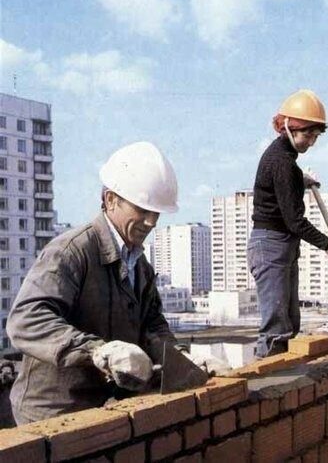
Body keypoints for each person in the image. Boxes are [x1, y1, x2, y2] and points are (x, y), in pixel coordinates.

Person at [7, 142, 227, 425]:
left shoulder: (140, 265)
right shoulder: (72, 252)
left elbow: (153, 326)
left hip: (103, 409)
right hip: (52, 412)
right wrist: (99, 351)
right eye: (143, 209)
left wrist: (181, 359)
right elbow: (26, 320)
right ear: (111, 200)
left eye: (156, 213)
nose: (151, 222)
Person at [248, 89, 328, 358]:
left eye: (315, 136)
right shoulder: (282, 162)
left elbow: (282, 186)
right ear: (288, 127)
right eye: (307, 135)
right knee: (276, 329)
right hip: (270, 245)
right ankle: (267, 377)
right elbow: (295, 221)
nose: (311, 142)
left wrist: (299, 180)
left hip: (281, 244)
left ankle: (286, 374)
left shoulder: (287, 161)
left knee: (290, 321)